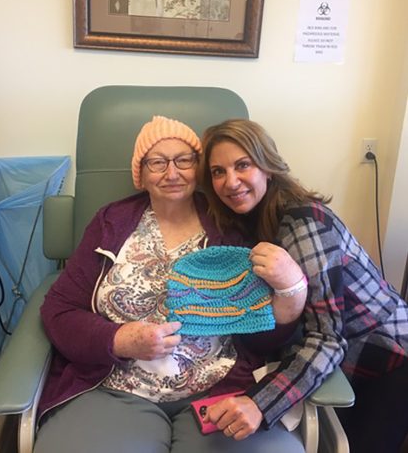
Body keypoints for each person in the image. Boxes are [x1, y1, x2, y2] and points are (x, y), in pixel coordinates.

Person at [34, 116, 307, 453]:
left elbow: (262, 332)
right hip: (116, 388)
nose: (172, 173)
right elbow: (59, 310)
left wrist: (292, 294)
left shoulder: (232, 224)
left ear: (200, 169)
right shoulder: (111, 222)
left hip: (221, 390)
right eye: (158, 163)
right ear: (141, 174)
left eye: (184, 160)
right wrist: (118, 339)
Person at [200, 118, 408, 453]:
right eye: (218, 172)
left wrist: (259, 403)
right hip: (352, 354)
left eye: (242, 165)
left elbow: (328, 337)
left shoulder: (302, 225)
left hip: (389, 357)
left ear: (267, 167)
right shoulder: (253, 220)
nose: (230, 181)